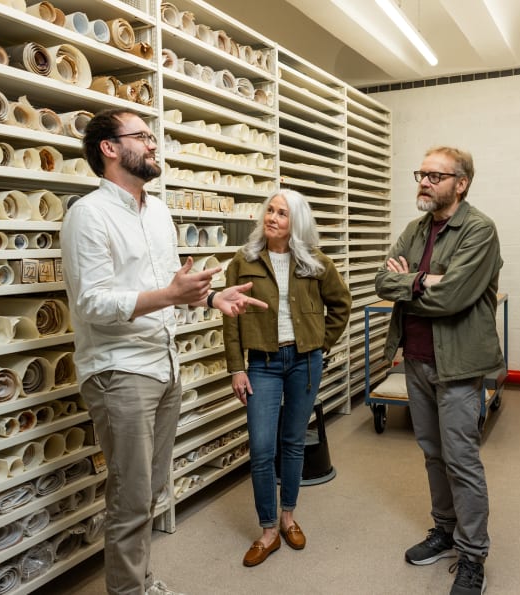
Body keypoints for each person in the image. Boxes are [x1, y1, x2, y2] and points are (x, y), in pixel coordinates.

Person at [61, 108, 268, 595]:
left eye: (154, 137)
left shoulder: (158, 210)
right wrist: (170, 297)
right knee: (130, 498)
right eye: (142, 137)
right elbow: (91, 302)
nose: (154, 145)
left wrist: (214, 297)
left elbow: (170, 284)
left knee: (149, 491)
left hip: (164, 365)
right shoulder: (87, 215)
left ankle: (141, 580)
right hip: (120, 370)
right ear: (109, 148)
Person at [374, 146, 503, 595]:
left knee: (461, 459)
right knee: (432, 453)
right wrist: (424, 278)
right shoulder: (415, 228)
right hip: (417, 358)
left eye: (434, 175)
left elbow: (453, 298)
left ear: (460, 183)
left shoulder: (479, 230)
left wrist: (412, 280)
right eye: (421, 174)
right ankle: (444, 530)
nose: (423, 182)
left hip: (458, 365)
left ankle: (472, 555)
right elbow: (381, 280)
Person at [223, 189, 351, 567]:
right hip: (262, 364)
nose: (273, 217)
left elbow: (341, 305)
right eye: (270, 210)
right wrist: (236, 366)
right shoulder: (242, 261)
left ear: (296, 222)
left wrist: (319, 344)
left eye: (282, 213)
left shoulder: (315, 263)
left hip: (304, 363)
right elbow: (230, 318)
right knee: (263, 448)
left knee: (293, 442)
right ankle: (268, 530)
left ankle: (288, 517)